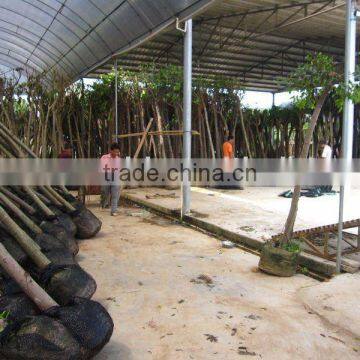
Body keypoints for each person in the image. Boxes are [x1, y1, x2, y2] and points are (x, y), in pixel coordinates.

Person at [100, 143, 121, 216]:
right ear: (110, 151)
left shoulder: (118, 159)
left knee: (115, 195)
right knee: (104, 192)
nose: (116, 153)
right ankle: (104, 203)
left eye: (117, 152)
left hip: (115, 177)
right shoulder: (104, 157)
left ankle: (113, 211)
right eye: (115, 151)